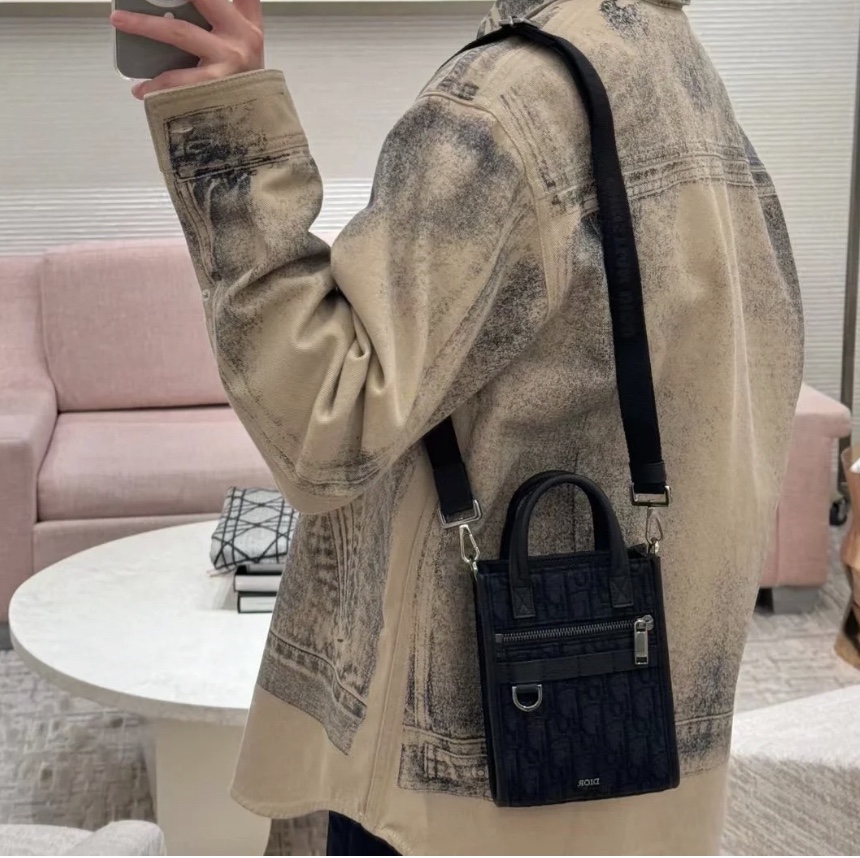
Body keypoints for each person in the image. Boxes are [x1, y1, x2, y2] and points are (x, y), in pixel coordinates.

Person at [111, 0, 804, 853]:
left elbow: (324, 426)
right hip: (627, 751)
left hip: (453, 779)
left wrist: (226, 138)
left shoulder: (509, 102)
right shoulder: (679, 72)